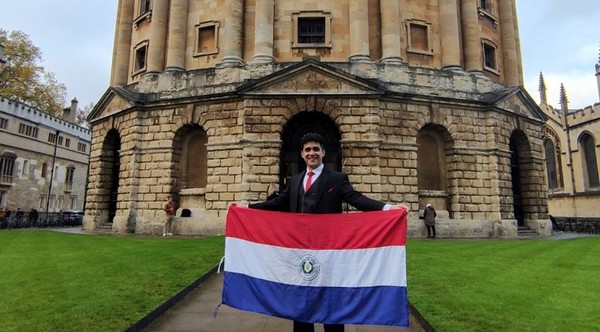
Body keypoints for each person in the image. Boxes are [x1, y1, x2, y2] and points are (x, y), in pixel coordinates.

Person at [235, 132, 409, 332]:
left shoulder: (337, 179)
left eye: (316, 149)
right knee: (301, 303)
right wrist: (246, 207)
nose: (312, 153)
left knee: (330, 303)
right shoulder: (295, 180)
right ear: (301, 154)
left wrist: (388, 208)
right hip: (299, 252)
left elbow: (356, 199)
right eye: (307, 150)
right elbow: (277, 203)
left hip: (328, 252)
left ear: (323, 152)